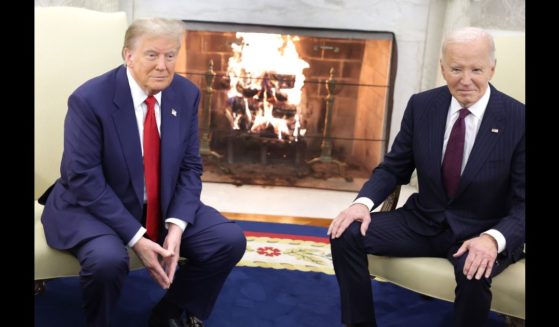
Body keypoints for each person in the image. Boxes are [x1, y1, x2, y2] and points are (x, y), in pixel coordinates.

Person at [40, 17, 246, 327]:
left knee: (228, 239)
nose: (163, 66)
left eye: (171, 55)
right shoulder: (89, 100)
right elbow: (83, 179)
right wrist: (137, 238)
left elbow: (190, 167)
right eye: (152, 55)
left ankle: (171, 313)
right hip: (93, 206)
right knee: (108, 261)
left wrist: (176, 226)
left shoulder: (185, 94)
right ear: (129, 56)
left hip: (158, 203)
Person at [328, 27, 524, 327]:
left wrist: (492, 239)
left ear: (492, 68)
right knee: (345, 233)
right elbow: (394, 168)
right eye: (456, 69)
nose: (466, 80)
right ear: (443, 67)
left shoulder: (518, 120)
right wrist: (362, 204)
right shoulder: (422, 106)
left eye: (477, 69)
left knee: (475, 270)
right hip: (423, 222)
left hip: (481, 230)